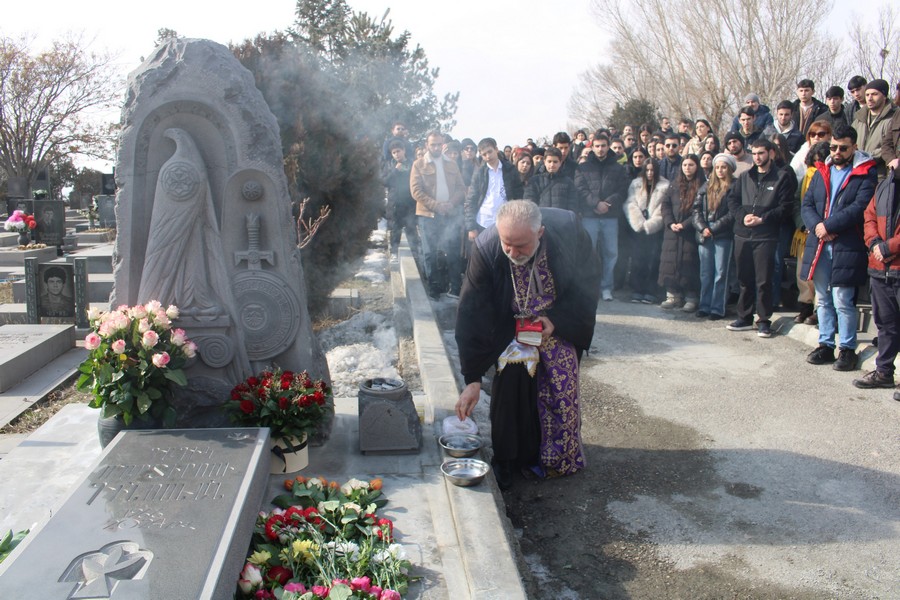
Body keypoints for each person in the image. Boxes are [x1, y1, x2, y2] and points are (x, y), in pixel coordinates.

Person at [454, 200, 601, 489]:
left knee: (560, 386)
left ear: (540, 232)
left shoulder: (569, 231)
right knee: (511, 388)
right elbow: (472, 311)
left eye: (521, 246)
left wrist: (556, 320)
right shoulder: (487, 248)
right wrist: (472, 377)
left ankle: (557, 458)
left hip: (558, 319)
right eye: (506, 244)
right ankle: (508, 460)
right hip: (511, 324)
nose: (512, 253)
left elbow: (588, 283)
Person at [800, 124, 877, 371]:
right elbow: (807, 204)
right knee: (822, 298)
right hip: (820, 243)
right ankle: (825, 344)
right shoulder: (822, 170)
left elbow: (859, 207)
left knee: (842, 299)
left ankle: (847, 348)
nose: (836, 152)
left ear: (854, 147)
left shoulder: (865, 172)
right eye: (833, 147)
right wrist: (818, 226)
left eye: (843, 148)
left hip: (847, 244)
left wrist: (828, 225)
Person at [724, 139, 795, 338]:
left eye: (761, 153)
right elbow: (732, 200)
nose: (757, 157)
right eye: (754, 153)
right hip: (742, 235)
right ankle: (744, 317)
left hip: (766, 236)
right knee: (744, 279)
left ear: (771, 153)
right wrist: (742, 216)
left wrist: (763, 219)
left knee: (763, 280)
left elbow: (785, 207)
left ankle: (763, 320)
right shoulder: (745, 176)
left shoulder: (782, 177)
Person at [854, 165, 900, 396]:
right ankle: (884, 373)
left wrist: (888, 248)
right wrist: (874, 244)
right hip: (880, 268)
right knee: (885, 324)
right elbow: (869, 216)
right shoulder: (884, 185)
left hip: (894, 262)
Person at [410, 130, 467, 298]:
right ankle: (434, 288)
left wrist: (451, 203)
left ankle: (455, 288)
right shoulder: (419, 164)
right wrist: (436, 206)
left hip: (450, 214)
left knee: (453, 251)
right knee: (430, 252)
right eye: (432, 144)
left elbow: (461, 188)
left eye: (439, 144)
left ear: (443, 144)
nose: (436, 147)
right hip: (428, 215)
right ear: (427, 145)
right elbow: (416, 191)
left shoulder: (452, 164)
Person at [575, 132, 629, 301]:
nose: (600, 149)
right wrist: (596, 203)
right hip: (589, 216)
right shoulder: (583, 167)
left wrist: (607, 204)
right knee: (588, 252)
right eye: (597, 146)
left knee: (611, 253)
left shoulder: (618, 168)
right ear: (592, 147)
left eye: (603, 146)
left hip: (610, 216)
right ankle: (589, 286)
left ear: (608, 147)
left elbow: (622, 190)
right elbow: (580, 189)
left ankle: (606, 287)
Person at [791, 141, 832, 325]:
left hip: (824, 231)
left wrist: (820, 226)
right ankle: (805, 306)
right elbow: (798, 204)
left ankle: (818, 309)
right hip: (804, 231)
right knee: (802, 272)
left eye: (821, 160)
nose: (818, 165)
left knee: (820, 275)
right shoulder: (807, 177)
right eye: (815, 161)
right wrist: (803, 224)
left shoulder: (831, 176)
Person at [693, 153, 736, 319]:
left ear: (729, 169)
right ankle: (704, 306)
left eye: (723, 167)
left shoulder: (734, 186)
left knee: (720, 273)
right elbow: (696, 210)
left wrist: (714, 229)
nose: (720, 170)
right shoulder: (705, 186)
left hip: (723, 234)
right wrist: (702, 227)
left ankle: (717, 308)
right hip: (704, 232)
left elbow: (732, 213)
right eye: (717, 167)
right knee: (705, 273)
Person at [658, 154, 704, 311]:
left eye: (691, 165)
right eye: (685, 165)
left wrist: (685, 224)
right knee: (669, 262)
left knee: (689, 263)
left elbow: (700, 210)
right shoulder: (674, 185)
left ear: (697, 166)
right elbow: (665, 205)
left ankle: (691, 297)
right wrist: (670, 223)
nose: (687, 168)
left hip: (690, 231)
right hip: (672, 231)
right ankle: (672, 295)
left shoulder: (702, 185)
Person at [625, 158, 668, 303]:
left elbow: (663, 208)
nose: (650, 173)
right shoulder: (635, 184)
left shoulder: (664, 186)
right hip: (639, 229)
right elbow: (630, 203)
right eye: (647, 170)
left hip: (655, 229)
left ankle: (651, 291)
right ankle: (637, 290)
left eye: (652, 170)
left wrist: (651, 223)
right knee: (638, 259)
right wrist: (639, 222)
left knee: (653, 260)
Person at [465, 137, 524, 242]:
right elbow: (471, 199)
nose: (488, 156)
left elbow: (519, 195)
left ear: (496, 149)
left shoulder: (510, 170)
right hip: (483, 221)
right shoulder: (479, 173)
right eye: (484, 154)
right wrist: (471, 227)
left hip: (506, 221)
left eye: (490, 152)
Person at [852, 79, 897, 181]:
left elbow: (891, 147)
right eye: (867, 95)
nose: (870, 98)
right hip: (857, 173)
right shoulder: (859, 119)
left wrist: (865, 156)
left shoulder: (894, 118)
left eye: (874, 94)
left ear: (884, 96)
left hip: (881, 175)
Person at [381, 140, 420, 259]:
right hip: (395, 203)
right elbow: (384, 181)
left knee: (411, 228)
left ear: (404, 151)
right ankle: (394, 252)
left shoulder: (413, 164)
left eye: (398, 151)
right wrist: (395, 170)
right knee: (395, 229)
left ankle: (416, 253)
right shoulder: (389, 165)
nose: (396, 154)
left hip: (410, 202)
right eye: (394, 152)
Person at [524, 147, 579, 213]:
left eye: (555, 162)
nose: (552, 165)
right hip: (540, 218)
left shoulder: (568, 182)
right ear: (544, 162)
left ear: (560, 162)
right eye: (549, 161)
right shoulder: (534, 181)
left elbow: (573, 205)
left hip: (562, 218)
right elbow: (529, 203)